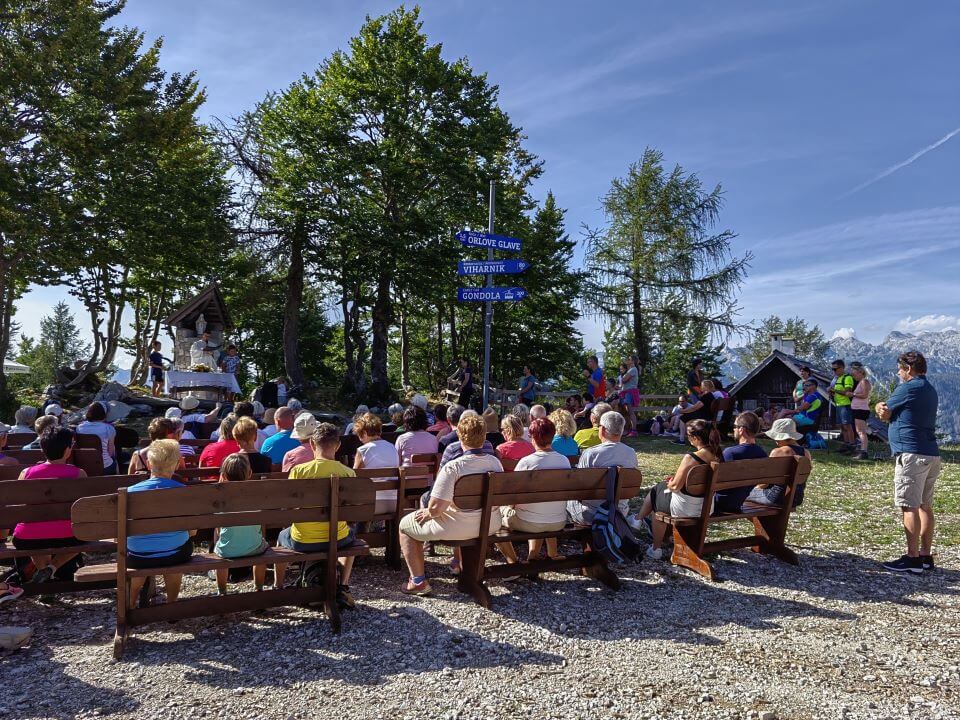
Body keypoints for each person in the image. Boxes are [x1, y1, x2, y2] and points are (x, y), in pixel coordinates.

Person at [398, 414, 503, 595]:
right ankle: (465, 573)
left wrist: (428, 513)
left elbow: (436, 508)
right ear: (484, 436)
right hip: (488, 524)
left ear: (460, 436)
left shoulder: (453, 467)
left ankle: (418, 582)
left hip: (458, 526)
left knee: (404, 526)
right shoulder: (495, 463)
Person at [273, 423, 358, 608]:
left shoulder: (299, 472)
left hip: (303, 539)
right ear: (338, 445)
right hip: (338, 538)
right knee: (352, 535)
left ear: (312, 444)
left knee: (281, 536)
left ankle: (278, 587)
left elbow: (288, 507)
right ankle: (343, 585)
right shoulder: (348, 473)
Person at [876, 351, 940, 574]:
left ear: (909, 369)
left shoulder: (909, 387)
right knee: (925, 505)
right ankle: (925, 555)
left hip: (911, 454)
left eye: (900, 369)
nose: (898, 373)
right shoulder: (929, 388)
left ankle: (912, 559)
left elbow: (885, 411)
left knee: (909, 506)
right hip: (930, 453)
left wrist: (878, 408)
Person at [628, 420, 722, 558]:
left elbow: (675, 486)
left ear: (696, 438)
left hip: (686, 508)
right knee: (659, 491)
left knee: (657, 495)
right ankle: (638, 520)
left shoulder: (691, 458)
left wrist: (672, 481)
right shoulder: (718, 454)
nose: (688, 438)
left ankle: (654, 547)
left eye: (689, 436)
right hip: (707, 507)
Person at [11, 427, 88, 585]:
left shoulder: (26, 473)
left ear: (42, 448)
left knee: (35, 531)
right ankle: (52, 568)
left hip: (27, 538)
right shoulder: (79, 475)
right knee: (85, 535)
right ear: (68, 450)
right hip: (69, 537)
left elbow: (17, 505)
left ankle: (43, 571)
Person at [126, 440, 195, 608]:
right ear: (177, 464)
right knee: (176, 548)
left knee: (141, 552)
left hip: (137, 556)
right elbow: (192, 532)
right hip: (175, 554)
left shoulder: (129, 492)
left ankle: (129, 606)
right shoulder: (183, 492)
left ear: (149, 464)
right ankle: (171, 604)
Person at [498, 417, 571, 563]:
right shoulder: (564, 460)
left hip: (528, 521)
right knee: (539, 508)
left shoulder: (527, 462)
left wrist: (508, 507)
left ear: (533, 438)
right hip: (558, 520)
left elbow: (513, 496)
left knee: (496, 514)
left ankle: (513, 562)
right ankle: (537, 556)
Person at [567, 410, 637, 527]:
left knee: (565, 501)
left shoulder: (591, 453)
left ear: (603, 429)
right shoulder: (631, 453)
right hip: (619, 512)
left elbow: (579, 487)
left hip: (591, 513)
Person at [212, 454, 269, 595]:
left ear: (224, 475)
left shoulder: (221, 499)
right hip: (255, 548)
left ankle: (222, 590)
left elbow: (218, 528)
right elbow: (261, 524)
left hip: (226, 550)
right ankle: (259, 588)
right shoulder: (257, 496)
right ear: (250, 473)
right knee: (262, 548)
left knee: (219, 544)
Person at [746, 418, 812, 507]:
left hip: (775, 497)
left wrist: (755, 489)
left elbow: (765, 482)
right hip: (796, 498)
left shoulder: (777, 452)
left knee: (743, 492)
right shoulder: (806, 453)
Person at [712, 412, 767, 514]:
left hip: (718, 503)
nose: (733, 429)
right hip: (737, 503)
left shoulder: (730, 453)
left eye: (735, 426)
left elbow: (715, 481)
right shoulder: (762, 454)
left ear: (742, 430)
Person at [353, 413, 401, 515]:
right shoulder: (392, 447)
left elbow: (354, 478)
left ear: (365, 433)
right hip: (395, 502)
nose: (360, 440)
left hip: (371, 505)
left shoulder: (363, 450)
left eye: (359, 435)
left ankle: (357, 530)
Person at [76, 402, 117, 474]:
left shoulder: (79, 427)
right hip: (104, 466)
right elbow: (110, 452)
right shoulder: (109, 428)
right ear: (104, 414)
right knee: (115, 459)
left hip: (83, 465)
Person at [829, 359, 856, 446]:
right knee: (841, 426)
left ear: (842, 368)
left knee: (847, 425)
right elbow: (838, 391)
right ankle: (846, 444)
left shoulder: (847, 378)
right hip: (838, 404)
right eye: (832, 369)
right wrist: (832, 392)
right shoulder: (837, 378)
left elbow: (848, 392)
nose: (834, 371)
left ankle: (852, 444)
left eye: (835, 369)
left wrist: (834, 390)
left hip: (845, 405)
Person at [850, 362, 872, 461]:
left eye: (854, 374)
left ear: (860, 373)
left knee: (861, 431)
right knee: (860, 431)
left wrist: (853, 394)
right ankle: (863, 451)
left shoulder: (864, 382)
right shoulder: (862, 382)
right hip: (858, 409)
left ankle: (864, 452)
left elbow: (864, 395)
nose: (853, 376)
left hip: (861, 409)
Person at [618, 355, 641, 437]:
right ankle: (629, 429)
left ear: (633, 361)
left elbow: (624, 380)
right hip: (626, 392)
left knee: (630, 412)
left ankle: (634, 430)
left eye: (629, 359)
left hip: (629, 393)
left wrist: (622, 375)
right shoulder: (631, 370)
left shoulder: (633, 370)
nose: (627, 361)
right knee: (627, 412)